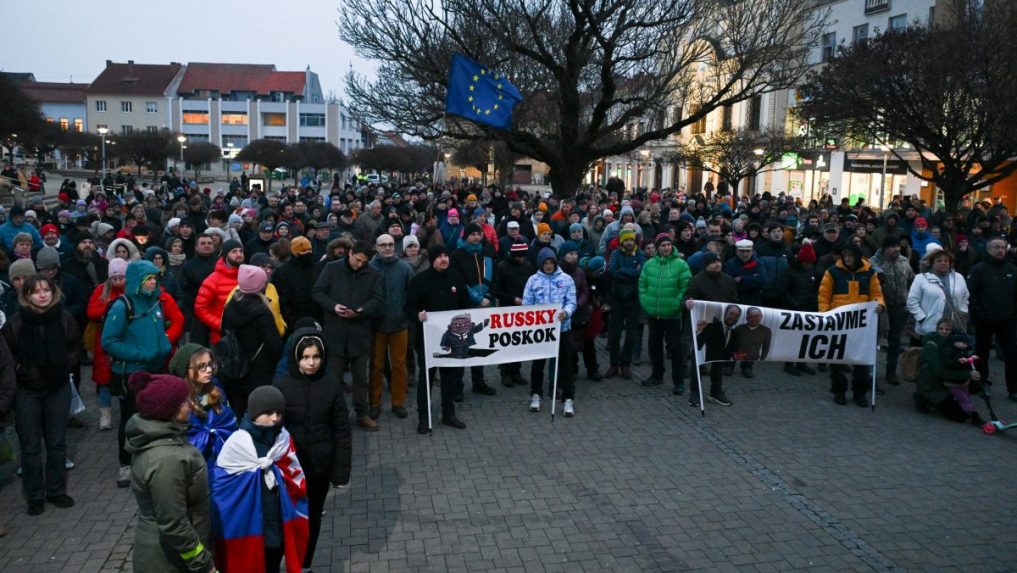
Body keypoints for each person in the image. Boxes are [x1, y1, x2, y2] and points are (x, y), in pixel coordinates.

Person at [3, 274, 82, 515]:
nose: (42, 294)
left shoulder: (64, 318)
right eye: (36, 291)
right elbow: (8, 356)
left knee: (57, 442)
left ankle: (56, 490)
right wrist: (23, 371)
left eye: (46, 290)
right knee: (30, 446)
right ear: (27, 295)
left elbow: (75, 348)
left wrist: (62, 367)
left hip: (57, 387)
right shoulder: (16, 324)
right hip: (27, 391)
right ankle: (34, 494)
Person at [273, 329, 352, 571]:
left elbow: (341, 430)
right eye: (305, 357)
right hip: (289, 471)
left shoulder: (331, 384)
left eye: (316, 357)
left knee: (313, 517)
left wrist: (340, 473)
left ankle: (305, 565)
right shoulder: (281, 385)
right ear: (296, 358)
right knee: (283, 520)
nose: (311, 363)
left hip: (319, 468)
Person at [211, 386, 309, 573]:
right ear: (255, 413)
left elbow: (295, 478)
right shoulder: (237, 445)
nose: (275, 418)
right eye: (269, 413)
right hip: (249, 529)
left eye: (279, 413)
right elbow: (223, 492)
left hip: (277, 530)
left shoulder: (283, 439)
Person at [125, 372, 215, 573]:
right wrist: (203, 564)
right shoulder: (166, 459)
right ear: (169, 411)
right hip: (168, 561)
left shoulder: (166, 439)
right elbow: (174, 523)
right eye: (184, 401)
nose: (190, 404)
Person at [101, 260, 178, 488]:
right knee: (131, 419)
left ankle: (154, 460)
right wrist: (138, 354)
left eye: (155, 278)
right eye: (148, 279)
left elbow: (161, 327)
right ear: (137, 281)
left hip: (156, 368)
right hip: (132, 373)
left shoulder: (155, 302)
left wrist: (163, 345)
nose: (153, 282)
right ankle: (125, 464)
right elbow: (108, 341)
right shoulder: (121, 306)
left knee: (158, 416)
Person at [311, 240, 383, 431]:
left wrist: (361, 310)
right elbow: (317, 292)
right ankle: (335, 416)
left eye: (364, 262)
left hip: (360, 333)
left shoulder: (372, 273)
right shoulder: (332, 268)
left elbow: (377, 299)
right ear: (350, 253)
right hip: (335, 333)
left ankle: (362, 414)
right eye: (358, 260)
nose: (360, 264)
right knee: (334, 379)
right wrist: (333, 307)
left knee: (361, 379)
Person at [405, 244, 472, 434]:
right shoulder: (420, 281)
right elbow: (409, 307)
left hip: (452, 341)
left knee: (450, 378)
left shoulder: (456, 278)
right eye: (439, 256)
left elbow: (465, 304)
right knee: (426, 379)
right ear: (432, 259)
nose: (444, 259)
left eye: (446, 255)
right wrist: (417, 315)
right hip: (427, 340)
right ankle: (424, 417)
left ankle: (448, 413)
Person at [818, 243, 885, 406]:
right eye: (845, 255)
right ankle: (839, 391)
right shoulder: (833, 272)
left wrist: (879, 305)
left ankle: (859, 393)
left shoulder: (869, 273)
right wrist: (824, 315)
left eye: (850, 255)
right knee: (837, 361)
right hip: (839, 322)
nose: (847, 259)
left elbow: (876, 294)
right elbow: (824, 295)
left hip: (861, 324)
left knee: (861, 361)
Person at [219, 265, 284, 418]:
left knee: (239, 412)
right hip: (258, 371)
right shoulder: (262, 313)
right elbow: (274, 346)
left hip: (235, 369)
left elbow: (224, 333)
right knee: (258, 413)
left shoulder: (230, 307)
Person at [522, 247, 578, 415]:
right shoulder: (533, 280)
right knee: (538, 364)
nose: (548, 266)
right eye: (545, 263)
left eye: (551, 262)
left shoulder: (566, 279)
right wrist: (534, 318)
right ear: (540, 264)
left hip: (563, 329)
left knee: (566, 365)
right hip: (541, 332)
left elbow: (571, 302)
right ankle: (536, 395)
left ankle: (568, 399)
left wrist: (565, 313)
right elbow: (527, 304)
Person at [638, 233, 692, 394]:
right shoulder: (649, 265)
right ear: (657, 247)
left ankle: (679, 381)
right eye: (662, 245)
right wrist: (647, 303)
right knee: (654, 347)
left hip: (673, 314)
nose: (666, 248)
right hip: (654, 313)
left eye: (668, 245)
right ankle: (657, 375)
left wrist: (676, 304)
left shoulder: (681, 265)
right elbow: (643, 284)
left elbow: (685, 287)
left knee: (675, 349)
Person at [368, 234, 414, 421]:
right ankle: (375, 404)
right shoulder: (369, 267)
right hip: (376, 325)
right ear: (377, 247)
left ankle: (398, 402)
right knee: (376, 366)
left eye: (390, 245)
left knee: (399, 366)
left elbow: (412, 292)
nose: (387, 248)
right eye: (383, 245)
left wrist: (407, 313)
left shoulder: (404, 267)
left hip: (399, 323)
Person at [965, 236, 1017, 401]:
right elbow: (971, 295)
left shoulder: (1012, 269)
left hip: (1008, 320)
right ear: (988, 249)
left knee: (1012, 355)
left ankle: (1014, 389)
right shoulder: (979, 269)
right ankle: (982, 385)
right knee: (982, 355)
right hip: (984, 321)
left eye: (1003, 247)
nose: (1000, 250)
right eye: (996, 247)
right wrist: (979, 315)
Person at [169, 343, 237, 466]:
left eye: (210, 364)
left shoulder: (216, 387)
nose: (209, 370)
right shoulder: (178, 400)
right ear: (185, 370)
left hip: (222, 458)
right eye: (201, 366)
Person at [684, 252, 738, 407]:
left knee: (718, 360)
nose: (717, 264)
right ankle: (695, 392)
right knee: (698, 360)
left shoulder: (727, 280)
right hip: (702, 328)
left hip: (721, 329)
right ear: (706, 264)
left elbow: (735, 302)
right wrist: (687, 304)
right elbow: (687, 299)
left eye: (719, 261)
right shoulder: (697, 281)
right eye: (713, 262)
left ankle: (716, 391)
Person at [914, 319, 985, 426]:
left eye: (947, 329)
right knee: (960, 416)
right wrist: (967, 375)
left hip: (944, 382)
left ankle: (954, 399)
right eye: (941, 329)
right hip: (931, 385)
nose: (944, 332)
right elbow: (940, 372)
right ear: (936, 329)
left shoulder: (953, 344)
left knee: (975, 385)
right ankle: (921, 397)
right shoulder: (931, 346)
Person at [85, 257, 128, 431]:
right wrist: (111, 307)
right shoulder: (101, 290)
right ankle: (105, 412)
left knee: (124, 375)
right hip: (104, 339)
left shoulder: (131, 289)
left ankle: (126, 410)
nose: (117, 281)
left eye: (121, 278)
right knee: (104, 378)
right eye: (114, 278)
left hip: (126, 338)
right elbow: (91, 312)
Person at [869, 234, 915, 385]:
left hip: (900, 307)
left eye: (897, 246)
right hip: (881, 308)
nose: (896, 249)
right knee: (874, 341)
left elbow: (911, 280)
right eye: (892, 247)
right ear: (885, 248)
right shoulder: (874, 262)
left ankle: (891, 372)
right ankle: (869, 373)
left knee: (895, 341)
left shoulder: (904, 261)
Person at [606, 228, 645, 379]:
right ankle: (614, 364)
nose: (629, 243)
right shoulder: (616, 254)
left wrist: (623, 271)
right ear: (622, 241)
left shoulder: (640, 254)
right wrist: (630, 272)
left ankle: (625, 365)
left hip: (633, 299)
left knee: (631, 335)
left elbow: (640, 273)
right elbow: (612, 271)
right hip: (617, 298)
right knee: (614, 334)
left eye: (631, 240)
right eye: (626, 240)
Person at [194, 239, 244, 345]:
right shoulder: (213, 280)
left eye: (241, 251)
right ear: (226, 255)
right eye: (234, 251)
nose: (239, 254)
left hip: (245, 336)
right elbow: (200, 308)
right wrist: (220, 324)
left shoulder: (247, 276)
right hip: (222, 339)